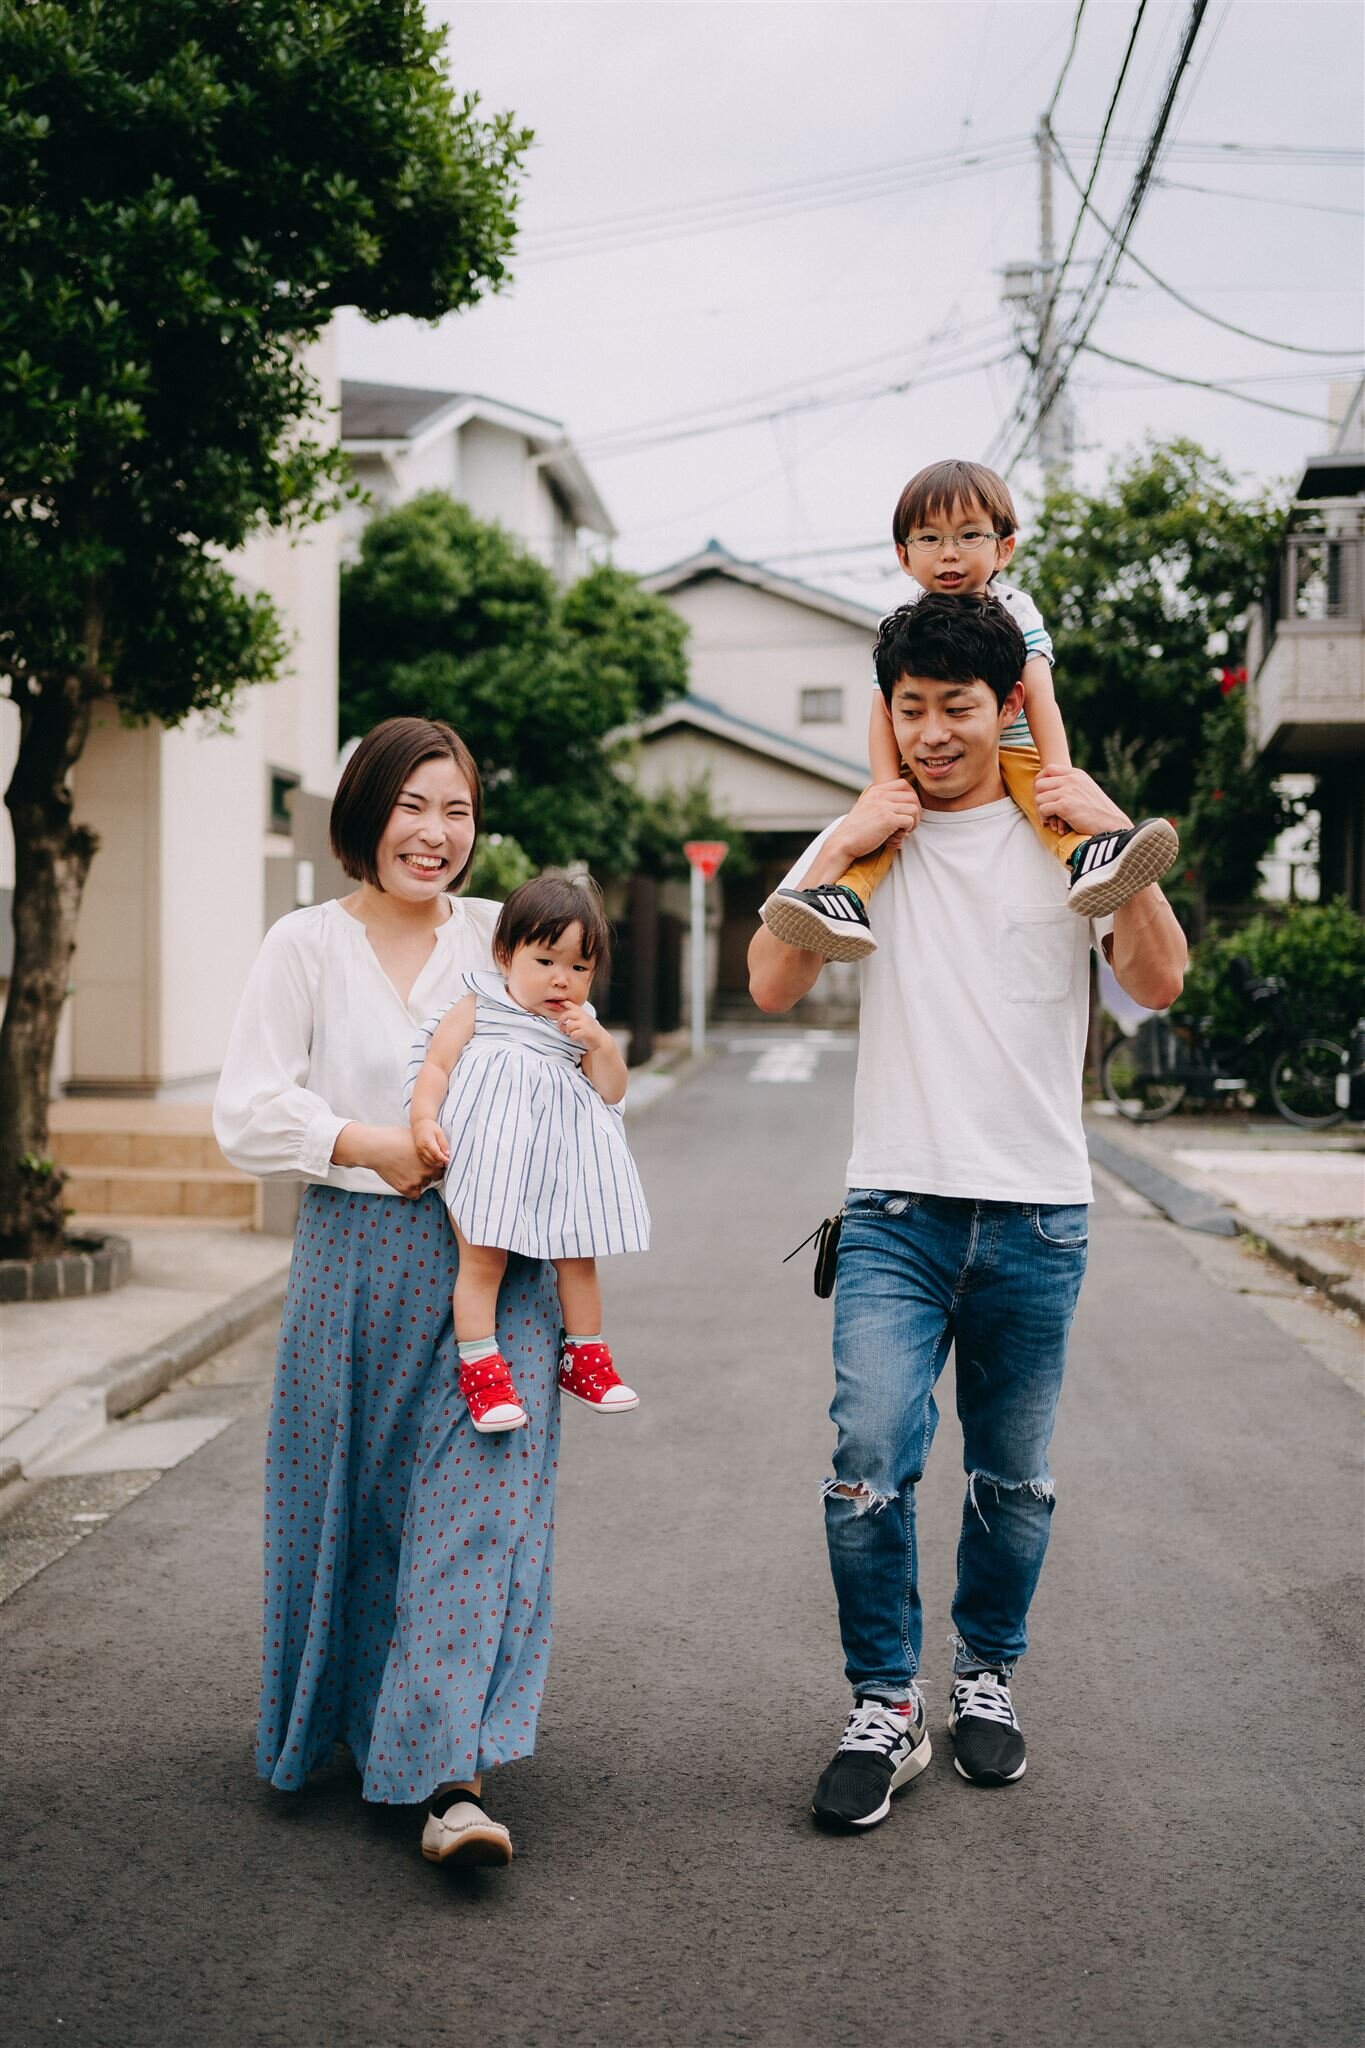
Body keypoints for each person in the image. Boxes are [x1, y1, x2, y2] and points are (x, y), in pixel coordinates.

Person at [748, 592, 1187, 1833]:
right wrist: (837, 840)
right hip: (894, 1207)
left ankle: (986, 1676)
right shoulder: (873, 838)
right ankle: (886, 1707)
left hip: (1039, 1211)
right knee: (866, 1464)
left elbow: (1157, 977)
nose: (934, 732)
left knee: (1016, 1477)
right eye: (913, 708)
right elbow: (770, 981)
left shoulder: (1062, 839)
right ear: (889, 714)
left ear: (1005, 709)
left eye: (958, 708)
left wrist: (1109, 831)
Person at [214, 716, 562, 1872]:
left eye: (456, 809)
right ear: (365, 811)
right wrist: (367, 1140)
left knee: (477, 1511)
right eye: (414, 805)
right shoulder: (305, 943)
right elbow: (249, 1109)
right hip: (354, 1258)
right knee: (352, 1504)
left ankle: (448, 1778)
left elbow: (563, 1065)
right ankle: (356, 1721)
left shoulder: (499, 934)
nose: (437, 832)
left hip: (496, 1263)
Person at [759, 458, 1178, 961]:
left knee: (1044, 803)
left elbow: (1041, 696)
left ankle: (1089, 858)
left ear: (1005, 548)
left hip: (1017, 752)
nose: (949, 554)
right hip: (909, 784)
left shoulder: (1017, 611)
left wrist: (1061, 776)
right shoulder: (901, 630)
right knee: (879, 839)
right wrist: (885, 790)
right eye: (929, 539)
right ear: (903, 555)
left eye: (968, 536)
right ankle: (845, 899)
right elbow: (882, 715)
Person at [407, 872, 650, 1433]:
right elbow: (436, 1065)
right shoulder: (480, 1003)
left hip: (555, 1168)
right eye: (545, 961)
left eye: (579, 967)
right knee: (483, 1258)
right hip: (488, 1160)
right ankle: (482, 1371)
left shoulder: (578, 1028)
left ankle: (585, 1356)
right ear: (505, 954)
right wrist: (423, 1118)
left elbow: (611, 1092)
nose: (561, 979)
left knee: (577, 1253)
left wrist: (601, 1045)